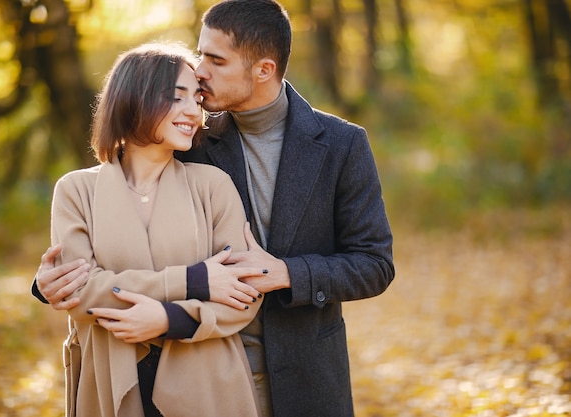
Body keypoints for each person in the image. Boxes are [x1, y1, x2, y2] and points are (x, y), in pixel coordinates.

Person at [33, 1, 395, 416]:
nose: (200, 69)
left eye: (216, 60)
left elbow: (374, 263)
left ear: (263, 69)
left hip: (305, 371)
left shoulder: (341, 144)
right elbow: (125, 214)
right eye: (200, 53)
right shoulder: (191, 142)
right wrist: (47, 284)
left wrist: (285, 273)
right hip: (203, 366)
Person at [43, 42, 266, 417]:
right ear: (133, 98)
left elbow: (243, 293)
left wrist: (169, 319)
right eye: (176, 98)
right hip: (109, 379)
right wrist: (195, 281)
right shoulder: (76, 190)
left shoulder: (213, 185)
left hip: (207, 384)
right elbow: (80, 292)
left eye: (196, 99)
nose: (193, 112)